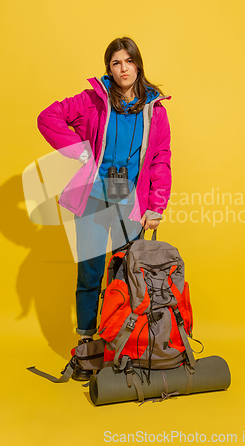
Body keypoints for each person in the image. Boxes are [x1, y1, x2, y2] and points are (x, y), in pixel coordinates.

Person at [37, 36, 172, 379]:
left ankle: (125, 346)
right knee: (91, 274)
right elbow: (48, 118)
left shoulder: (155, 109)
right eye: (116, 62)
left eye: (129, 61)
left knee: (128, 276)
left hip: (132, 203)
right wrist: (80, 153)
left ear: (138, 64)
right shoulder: (93, 100)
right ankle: (87, 348)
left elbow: (159, 159)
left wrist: (156, 203)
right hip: (92, 198)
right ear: (108, 68)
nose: (123, 68)